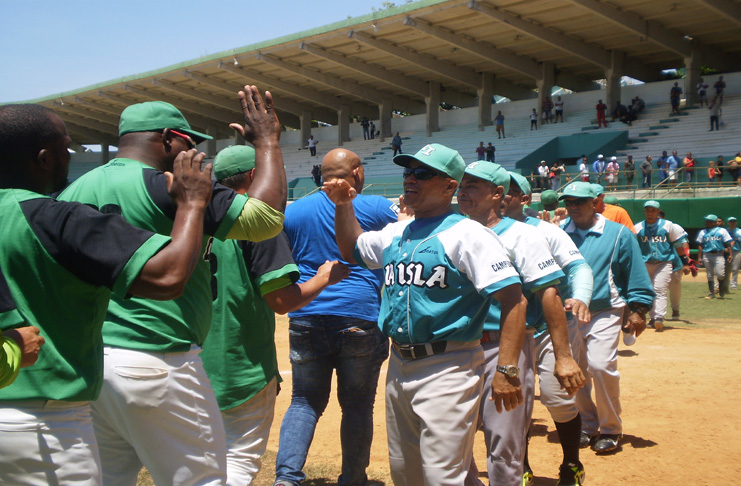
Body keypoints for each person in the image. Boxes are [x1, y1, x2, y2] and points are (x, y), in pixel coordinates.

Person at [58, 88, 288, 486]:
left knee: (110, 479)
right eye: (188, 141)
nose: (193, 150)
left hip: (93, 359)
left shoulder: (72, 192)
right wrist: (266, 141)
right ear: (166, 138)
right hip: (158, 356)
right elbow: (265, 218)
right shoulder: (173, 186)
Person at [0, 103, 215, 484]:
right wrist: (192, 202)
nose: (69, 156)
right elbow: (168, 277)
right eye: (66, 147)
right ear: (44, 158)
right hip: (45, 422)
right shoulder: (57, 218)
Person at [324, 143, 526, 486]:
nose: (410, 179)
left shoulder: (469, 235)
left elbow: (514, 300)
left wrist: (506, 367)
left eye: (423, 173)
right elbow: (352, 248)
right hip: (399, 363)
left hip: (449, 364)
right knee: (406, 473)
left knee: (442, 476)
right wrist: (344, 205)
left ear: (450, 186)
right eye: (408, 171)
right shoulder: (397, 231)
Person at [201, 145, 350, 486]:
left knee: (202, 459)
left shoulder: (195, 215)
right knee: (238, 461)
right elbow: (281, 301)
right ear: (256, 176)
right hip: (240, 365)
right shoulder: (260, 224)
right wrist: (324, 277)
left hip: (193, 359)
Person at [275, 148, 397, 486]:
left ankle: (286, 478)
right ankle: (354, 479)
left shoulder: (294, 211)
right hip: (359, 316)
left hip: (306, 313)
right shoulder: (376, 207)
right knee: (357, 405)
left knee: (303, 401)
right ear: (357, 173)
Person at [457, 163, 584, 486]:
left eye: (473, 185)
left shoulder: (523, 234)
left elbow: (549, 295)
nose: (463, 191)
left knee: (504, 446)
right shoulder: (451, 230)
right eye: (461, 184)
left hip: (505, 344)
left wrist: (564, 356)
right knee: (452, 443)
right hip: (455, 349)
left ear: (496, 194)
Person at [501, 172, 594, 486]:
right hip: (506, 331)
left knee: (557, 399)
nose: (500, 195)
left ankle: (571, 463)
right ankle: (521, 467)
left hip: (547, 329)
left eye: (509, 191)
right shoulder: (480, 230)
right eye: (496, 189)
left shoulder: (545, 231)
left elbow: (578, 266)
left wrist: (580, 295)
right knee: (515, 404)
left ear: (525, 199)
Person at [559, 182, 654, 454]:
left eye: (579, 201)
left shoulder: (618, 234)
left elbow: (635, 271)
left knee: (600, 366)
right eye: (569, 202)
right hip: (569, 312)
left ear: (595, 202)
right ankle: (587, 425)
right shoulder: (559, 233)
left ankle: (611, 428)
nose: (573, 207)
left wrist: (639, 309)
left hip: (605, 308)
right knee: (575, 371)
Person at [634, 201, 691, 332]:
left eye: (653, 210)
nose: (650, 212)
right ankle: (652, 318)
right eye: (648, 210)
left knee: (660, 289)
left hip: (664, 263)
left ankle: (659, 317)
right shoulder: (638, 227)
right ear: (644, 211)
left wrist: (685, 262)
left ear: (658, 212)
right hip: (645, 263)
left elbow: (678, 245)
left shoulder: (668, 226)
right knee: (649, 290)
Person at [696, 214, 734, 299]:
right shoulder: (703, 232)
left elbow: (728, 243)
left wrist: (730, 254)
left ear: (714, 222)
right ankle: (711, 293)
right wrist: (699, 257)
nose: (706, 222)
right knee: (709, 274)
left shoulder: (722, 231)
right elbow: (700, 245)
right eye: (706, 221)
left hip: (718, 254)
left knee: (721, 274)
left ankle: (721, 289)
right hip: (707, 254)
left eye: (708, 221)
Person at [727, 217, 741, 290]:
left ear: (736, 222)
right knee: (726, 268)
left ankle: (733, 284)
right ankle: (727, 283)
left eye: (733, 221)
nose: (732, 223)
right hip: (726, 252)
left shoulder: (739, 231)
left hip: (736, 251)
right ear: (728, 223)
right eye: (731, 221)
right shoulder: (726, 231)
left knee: (735, 269)